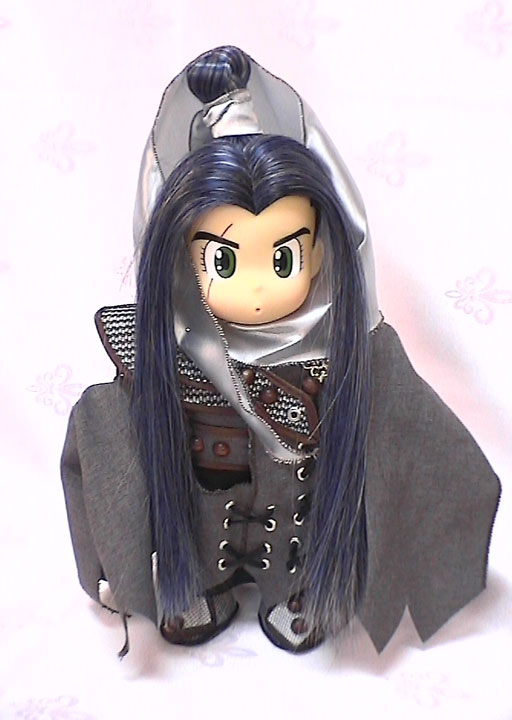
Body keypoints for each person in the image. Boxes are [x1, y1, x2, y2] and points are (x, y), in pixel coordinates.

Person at [61, 46, 500, 655]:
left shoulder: (349, 353)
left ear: (319, 251)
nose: (258, 287)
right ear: (183, 259)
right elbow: (108, 455)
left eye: (284, 256)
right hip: (203, 527)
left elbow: (415, 440)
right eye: (224, 261)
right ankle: (199, 581)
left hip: (295, 537)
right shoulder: (159, 354)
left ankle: (298, 586)